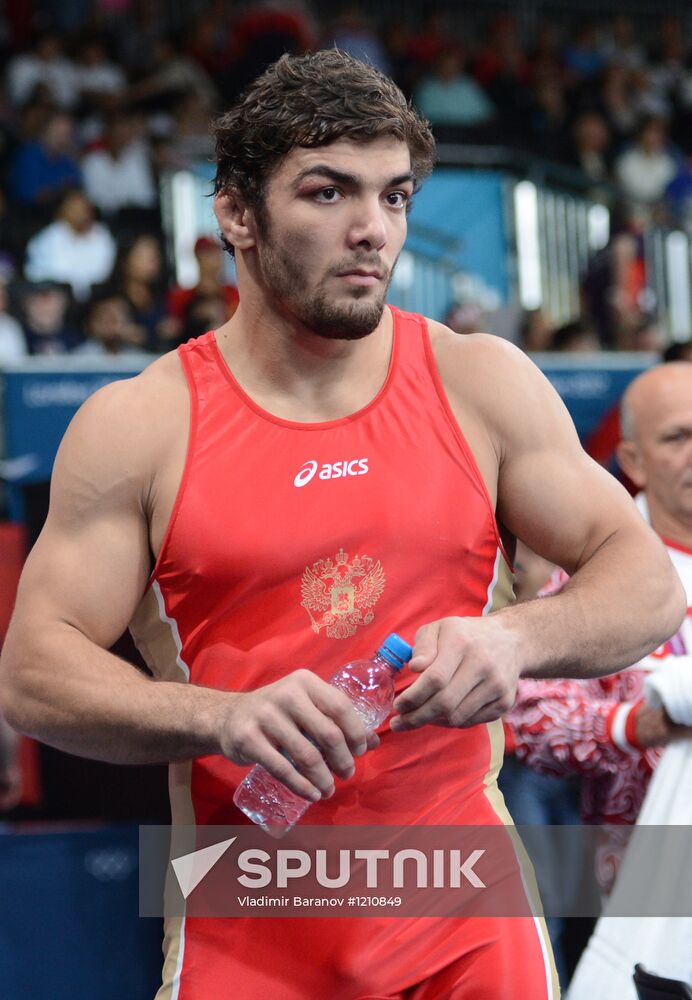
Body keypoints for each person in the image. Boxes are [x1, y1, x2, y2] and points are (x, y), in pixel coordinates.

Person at [0, 50, 685, 1000]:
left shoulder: (475, 379)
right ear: (236, 215)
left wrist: (514, 636)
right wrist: (225, 717)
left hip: (461, 901)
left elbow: (645, 579)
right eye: (328, 193)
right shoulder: (143, 422)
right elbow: (34, 674)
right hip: (252, 905)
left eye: (396, 197)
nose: (373, 230)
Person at [505, 362, 692, 890]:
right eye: (678, 437)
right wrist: (645, 726)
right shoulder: (601, 576)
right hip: (653, 901)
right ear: (632, 458)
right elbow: (531, 717)